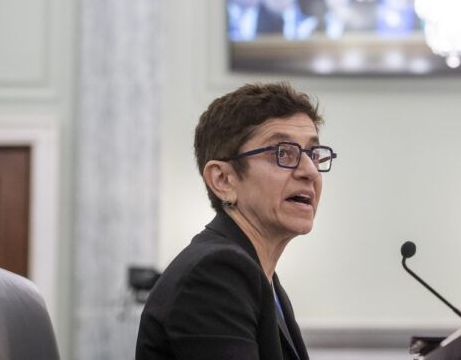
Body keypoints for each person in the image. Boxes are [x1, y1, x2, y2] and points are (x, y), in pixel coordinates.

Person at [136, 82, 338, 360]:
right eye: (283, 153)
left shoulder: (261, 279)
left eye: (313, 155)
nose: (310, 171)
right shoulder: (213, 275)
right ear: (223, 180)